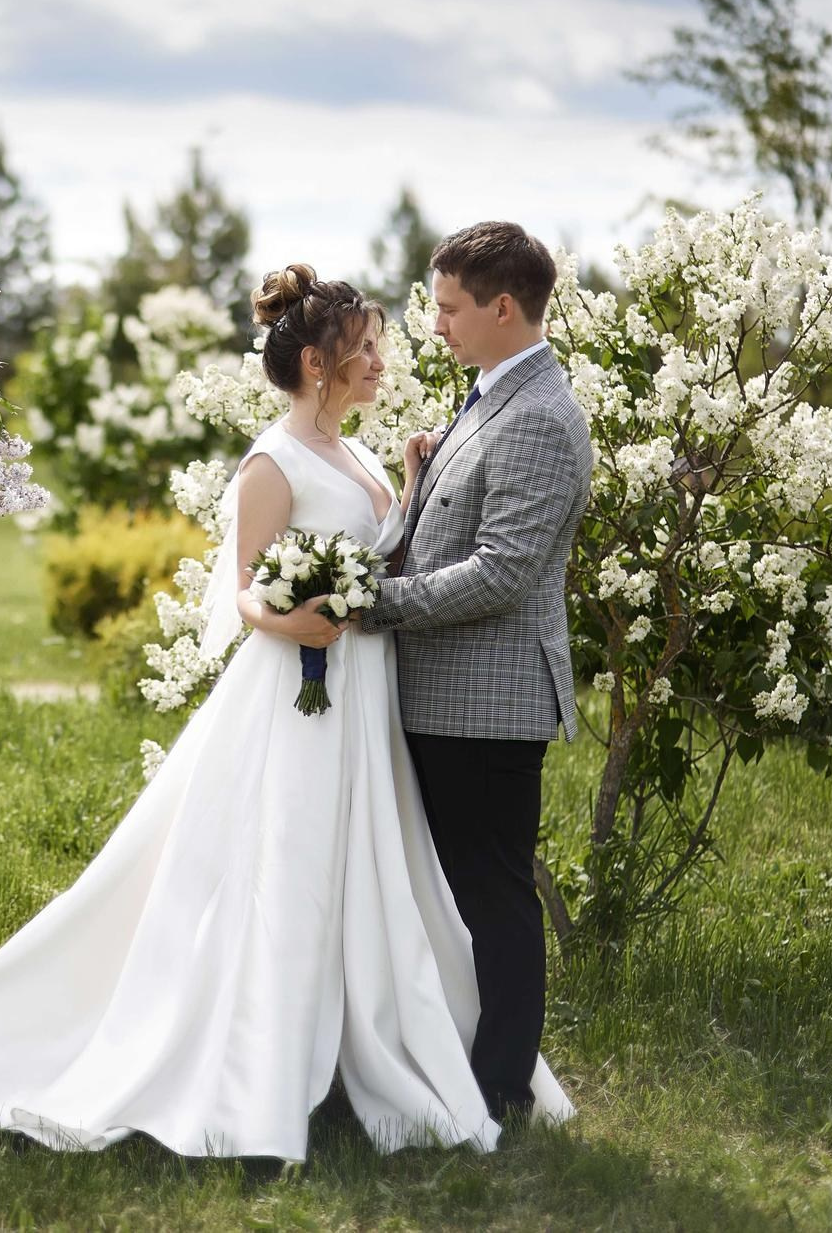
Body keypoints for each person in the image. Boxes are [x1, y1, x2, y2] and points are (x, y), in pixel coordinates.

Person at [0, 264, 571, 1161]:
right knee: (287, 868)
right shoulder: (273, 460)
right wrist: (295, 621)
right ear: (319, 363)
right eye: (366, 348)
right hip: (301, 693)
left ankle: (361, 1043)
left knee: (365, 870)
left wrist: (405, 485)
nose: (380, 360)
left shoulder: (359, 452)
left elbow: (377, 552)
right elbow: (245, 591)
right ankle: (260, 1069)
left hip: (364, 693)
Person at [357, 221, 595, 1124]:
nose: (437, 325)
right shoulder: (493, 393)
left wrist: (371, 605)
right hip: (447, 696)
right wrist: (419, 479)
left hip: (487, 706)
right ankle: (442, 1061)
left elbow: (499, 573)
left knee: (492, 897)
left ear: (502, 308)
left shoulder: (539, 416)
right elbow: (457, 527)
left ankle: (501, 1088)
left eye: (450, 308)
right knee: (449, 894)